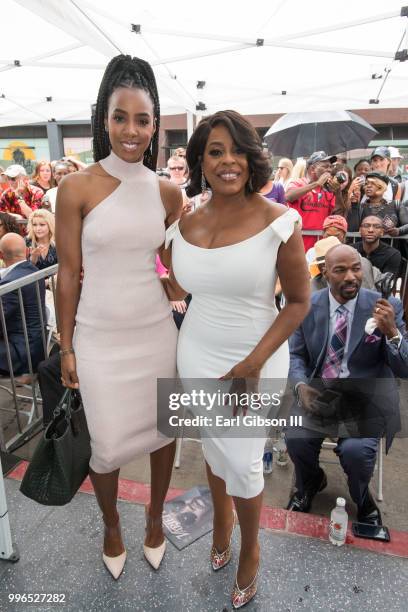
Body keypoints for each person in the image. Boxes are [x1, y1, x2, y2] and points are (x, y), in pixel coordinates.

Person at [164, 110, 310, 608]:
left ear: (252, 158)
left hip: (257, 355)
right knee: (211, 445)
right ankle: (219, 524)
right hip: (198, 349)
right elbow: (179, 284)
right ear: (200, 161)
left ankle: (251, 550)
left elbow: (297, 302)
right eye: (215, 152)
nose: (228, 162)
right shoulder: (187, 221)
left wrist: (252, 364)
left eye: (236, 151)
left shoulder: (280, 222)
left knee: (244, 461)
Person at [55, 54, 182, 580]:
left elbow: (171, 271)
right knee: (104, 446)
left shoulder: (168, 192)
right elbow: (66, 274)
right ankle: (111, 524)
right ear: (103, 119)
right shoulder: (76, 188)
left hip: (154, 333)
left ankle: (155, 517)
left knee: (163, 430)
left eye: (143, 119)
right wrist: (66, 346)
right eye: (121, 117)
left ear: (155, 126)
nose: (132, 130)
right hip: (100, 339)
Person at [286, 244, 408, 525]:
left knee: (355, 453)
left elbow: (403, 368)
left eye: (356, 268)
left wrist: (391, 332)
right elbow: (296, 355)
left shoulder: (385, 306)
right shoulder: (307, 305)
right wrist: (300, 386)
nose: (351, 276)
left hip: (364, 398)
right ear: (325, 273)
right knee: (295, 438)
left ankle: (362, 497)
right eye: (340, 270)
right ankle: (310, 483)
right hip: (321, 392)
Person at [0, 233, 46, 376]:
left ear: (1, 255)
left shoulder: (11, 283)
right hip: (35, 347)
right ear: (26, 251)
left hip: (20, 353)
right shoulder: (32, 270)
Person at [285, 151, 346, 251]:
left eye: (330, 167)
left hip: (321, 245)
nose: (329, 170)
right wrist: (316, 184)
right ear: (313, 169)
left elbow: (338, 214)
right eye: (325, 166)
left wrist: (338, 191)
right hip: (298, 244)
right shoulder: (298, 183)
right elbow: (288, 196)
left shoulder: (328, 189)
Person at [353, 215, 401, 282]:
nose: (370, 230)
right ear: (360, 230)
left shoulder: (392, 254)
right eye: (366, 226)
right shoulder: (350, 250)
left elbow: (386, 284)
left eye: (376, 227)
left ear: (382, 232)